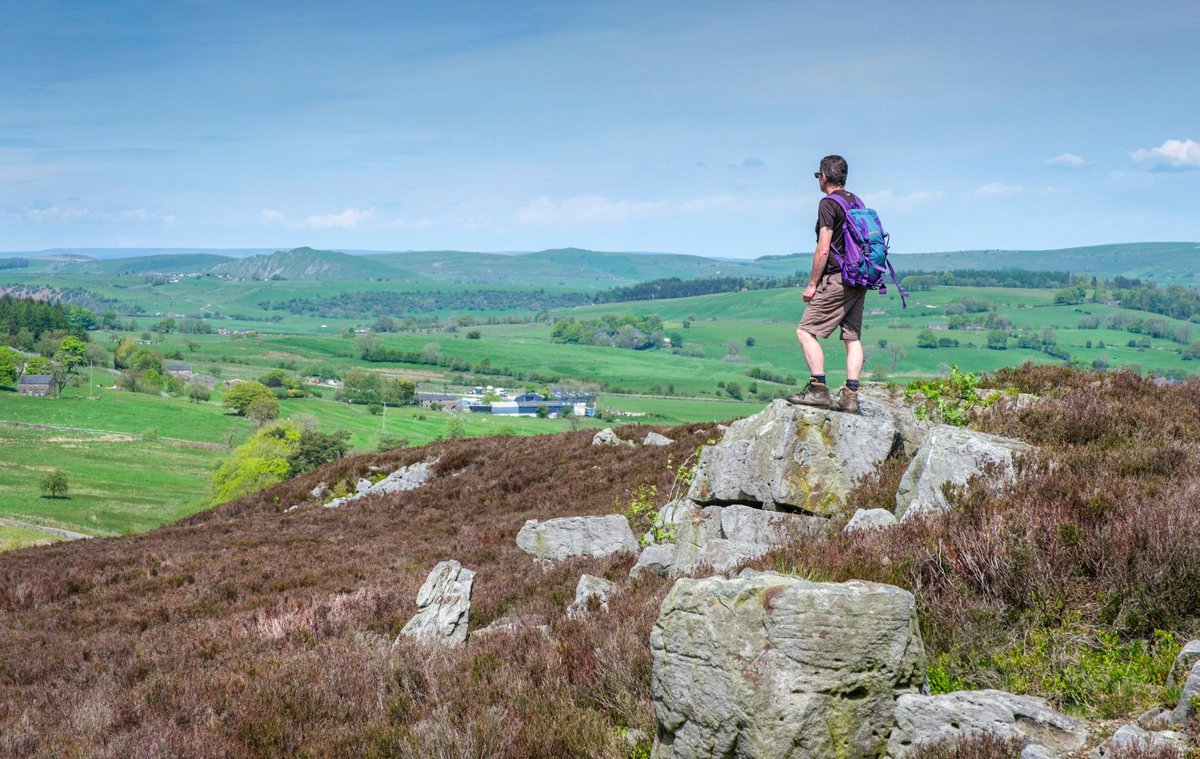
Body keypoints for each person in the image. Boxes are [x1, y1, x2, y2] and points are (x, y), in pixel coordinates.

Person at [786, 154, 866, 414]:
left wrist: (812, 284)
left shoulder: (828, 204)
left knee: (805, 331)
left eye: (817, 175)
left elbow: (823, 248)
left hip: (838, 279)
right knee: (852, 338)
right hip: (859, 278)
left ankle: (818, 390)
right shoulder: (856, 201)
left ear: (824, 176)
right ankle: (850, 396)